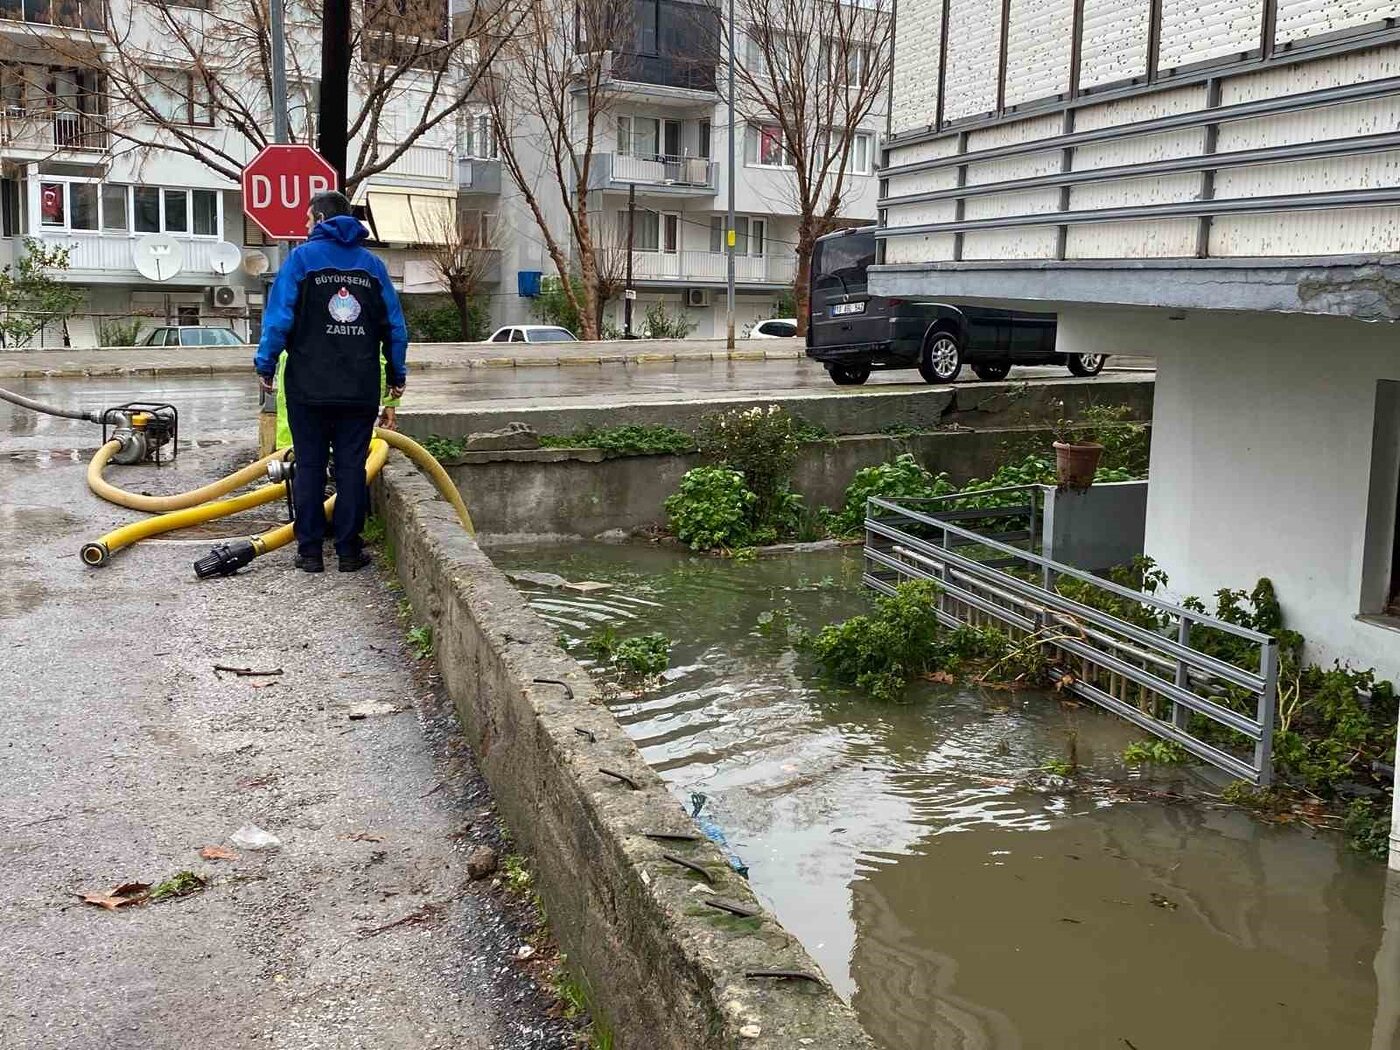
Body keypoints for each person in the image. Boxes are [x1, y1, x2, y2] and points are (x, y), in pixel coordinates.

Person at [254, 190, 407, 574]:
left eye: (307, 220)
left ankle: (309, 553)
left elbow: (278, 318)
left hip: (309, 385)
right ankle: (349, 553)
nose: (305, 227)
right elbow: (395, 327)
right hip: (359, 386)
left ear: (319, 219)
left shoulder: (301, 260)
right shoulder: (372, 266)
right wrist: (397, 375)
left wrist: (266, 363)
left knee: (309, 465)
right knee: (352, 467)